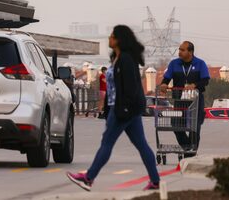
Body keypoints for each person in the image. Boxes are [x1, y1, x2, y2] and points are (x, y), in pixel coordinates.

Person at [67, 25, 160, 192]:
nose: (108, 38)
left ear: (118, 40)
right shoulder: (118, 58)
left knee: (107, 143)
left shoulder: (125, 59)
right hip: (124, 109)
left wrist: (121, 111)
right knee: (141, 144)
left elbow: (130, 88)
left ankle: (88, 178)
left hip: (123, 110)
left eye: (111, 36)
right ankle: (155, 181)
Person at [159, 41, 210, 156]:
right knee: (176, 125)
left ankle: (191, 152)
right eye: (179, 49)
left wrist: (194, 85)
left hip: (195, 101)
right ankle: (188, 149)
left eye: (182, 50)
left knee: (194, 128)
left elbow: (205, 81)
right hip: (179, 101)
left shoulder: (200, 63)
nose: (179, 52)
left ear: (190, 52)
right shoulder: (174, 64)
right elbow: (166, 78)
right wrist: (163, 84)